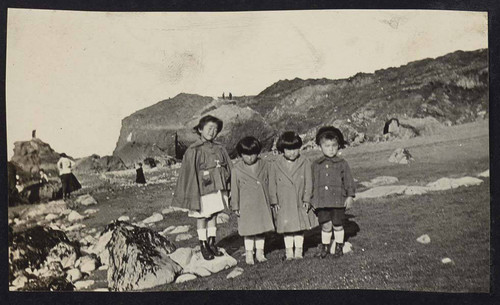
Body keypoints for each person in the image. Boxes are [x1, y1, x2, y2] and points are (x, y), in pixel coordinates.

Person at [172, 115, 232, 260]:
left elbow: (228, 167)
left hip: (217, 188)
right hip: (202, 190)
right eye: (209, 128)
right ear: (200, 129)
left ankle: (212, 242)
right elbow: (188, 173)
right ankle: (203, 244)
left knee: (214, 214)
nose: (212, 132)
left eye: (215, 129)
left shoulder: (219, 148)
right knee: (202, 216)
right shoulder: (194, 150)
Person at [269, 131, 317, 260]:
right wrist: (274, 201)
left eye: (295, 149)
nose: (292, 152)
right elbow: (272, 184)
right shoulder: (275, 164)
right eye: (288, 149)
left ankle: (299, 251)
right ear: (282, 149)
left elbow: (309, 182)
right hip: (284, 201)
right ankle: (289, 252)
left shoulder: (305, 162)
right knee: (287, 228)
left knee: (299, 227)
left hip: (299, 200)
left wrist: (307, 199)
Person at [311, 126, 356, 259]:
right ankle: (325, 246)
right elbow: (311, 182)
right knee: (325, 225)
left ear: (338, 146)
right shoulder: (316, 164)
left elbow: (348, 181)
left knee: (337, 224)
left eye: (334, 146)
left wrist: (350, 196)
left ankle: (339, 246)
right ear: (320, 147)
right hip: (322, 201)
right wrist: (311, 199)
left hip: (337, 201)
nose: (330, 149)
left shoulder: (342, 163)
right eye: (327, 146)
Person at [231, 136, 275, 265]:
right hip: (246, 205)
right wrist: (235, 206)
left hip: (261, 202)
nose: (250, 158)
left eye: (253, 154)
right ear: (240, 154)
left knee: (261, 229)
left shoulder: (265, 165)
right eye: (246, 154)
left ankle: (260, 252)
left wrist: (273, 201)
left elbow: (271, 184)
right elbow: (235, 189)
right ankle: (249, 254)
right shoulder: (236, 169)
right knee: (248, 231)